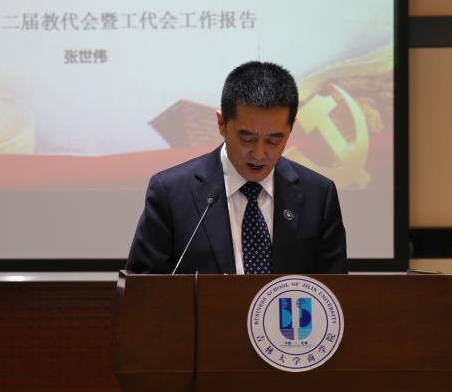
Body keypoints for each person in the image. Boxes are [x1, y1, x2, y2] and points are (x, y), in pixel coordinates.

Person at [126, 61, 347, 274]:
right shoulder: (170, 193)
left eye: (273, 140)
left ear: (290, 129)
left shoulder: (318, 195)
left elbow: (335, 290)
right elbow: (143, 289)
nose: (259, 154)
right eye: (247, 138)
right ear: (222, 124)